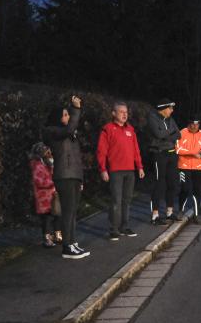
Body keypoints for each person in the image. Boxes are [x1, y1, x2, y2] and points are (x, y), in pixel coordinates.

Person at [43, 96, 89, 259]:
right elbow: (68, 130)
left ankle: (72, 242)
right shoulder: (52, 131)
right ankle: (67, 246)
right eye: (65, 114)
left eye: (68, 114)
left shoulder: (70, 135)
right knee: (68, 212)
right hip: (64, 175)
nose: (68, 117)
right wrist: (76, 109)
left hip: (73, 175)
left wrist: (80, 179)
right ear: (57, 117)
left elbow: (77, 158)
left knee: (73, 211)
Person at [97, 102, 145, 241]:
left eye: (126, 112)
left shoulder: (131, 129)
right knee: (116, 201)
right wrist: (103, 169)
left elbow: (136, 150)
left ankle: (124, 227)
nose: (125, 114)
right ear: (114, 113)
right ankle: (114, 229)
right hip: (115, 171)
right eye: (121, 112)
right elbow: (101, 151)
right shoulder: (107, 129)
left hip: (130, 170)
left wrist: (140, 167)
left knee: (127, 200)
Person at [146, 98, 180, 225]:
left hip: (171, 153)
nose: (172, 110)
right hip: (158, 154)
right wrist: (169, 134)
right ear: (164, 108)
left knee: (172, 183)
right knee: (159, 183)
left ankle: (169, 212)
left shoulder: (171, 119)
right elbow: (158, 134)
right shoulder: (152, 117)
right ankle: (155, 215)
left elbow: (178, 134)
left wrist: (166, 135)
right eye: (170, 108)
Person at [29, 142, 62, 248]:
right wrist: (53, 182)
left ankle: (58, 235)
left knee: (57, 214)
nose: (49, 153)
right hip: (44, 197)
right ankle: (47, 238)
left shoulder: (47, 163)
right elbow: (39, 181)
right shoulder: (37, 165)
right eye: (46, 151)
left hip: (52, 195)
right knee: (47, 218)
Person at [177, 116, 201, 223]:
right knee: (184, 189)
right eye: (192, 124)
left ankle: (196, 215)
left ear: (199, 124)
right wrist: (192, 152)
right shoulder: (181, 132)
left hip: (198, 167)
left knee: (197, 191)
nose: (194, 126)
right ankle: (181, 210)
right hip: (183, 166)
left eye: (196, 124)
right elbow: (178, 149)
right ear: (188, 124)